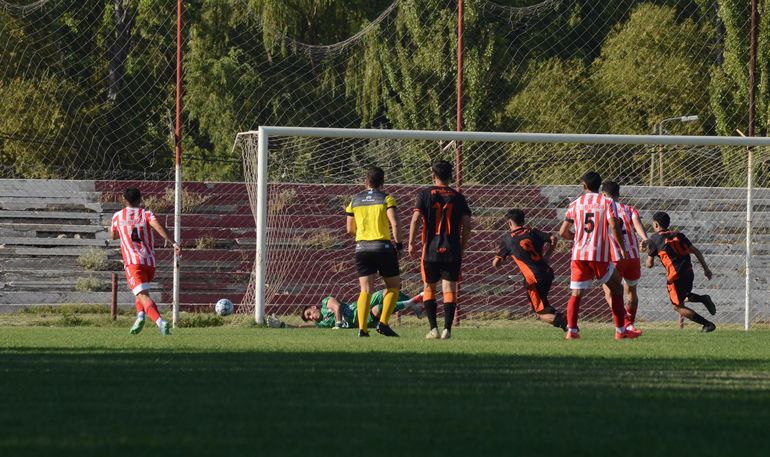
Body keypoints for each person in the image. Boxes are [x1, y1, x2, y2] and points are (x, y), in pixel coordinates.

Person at [559, 171, 641, 340]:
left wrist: (578, 239)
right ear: (599, 185)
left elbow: (563, 232)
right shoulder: (606, 202)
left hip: (579, 255)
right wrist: (622, 247)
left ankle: (572, 331)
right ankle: (620, 330)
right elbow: (613, 226)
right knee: (617, 289)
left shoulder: (574, 204)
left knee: (576, 294)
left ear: (584, 186)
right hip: (599, 255)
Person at [408, 160, 472, 340]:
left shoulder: (424, 194)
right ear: (451, 176)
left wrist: (411, 242)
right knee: (449, 288)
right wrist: (463, 247)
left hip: (430, 249)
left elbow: (415, 219)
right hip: (452, 249)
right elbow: (467, 225)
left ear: (433, 175)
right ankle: (447, 330)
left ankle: (433, 329)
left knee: (429, 287)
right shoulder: (458, 197)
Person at [111, 188, 180, 335]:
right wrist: (174, 243)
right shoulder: (146, 214)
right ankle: (140, 317)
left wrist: (125, 231)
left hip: (133, 262)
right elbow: (159, 228)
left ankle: (160, 322)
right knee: (141, 291)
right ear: (140, 199)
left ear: (124, 199)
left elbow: (114, 235)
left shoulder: (117, 216)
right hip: (149, 262)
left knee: (142, 295)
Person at [345, 166, 403, 337]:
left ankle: (362, 329)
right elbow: (395, 223)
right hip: (382, 247)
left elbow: (349, 228)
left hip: (362, 248)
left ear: (366, 182)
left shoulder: (354, 200)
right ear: (382, 183)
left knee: (366, 290)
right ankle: (383, 324)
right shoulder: (387, 199)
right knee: (393, 287)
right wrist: (399, 244)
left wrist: (363, 235)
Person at [492, 209, 566, 331]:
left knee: (540, 313)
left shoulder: (507, 239)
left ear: (509, 223)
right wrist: (547, 255)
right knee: (544, 305)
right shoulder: (533, 232)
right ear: (523, 220)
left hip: (533, 279)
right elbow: (553, 238)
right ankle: (561, 317)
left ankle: (567, 324)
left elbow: (496, 263)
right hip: (547, 273)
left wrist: (500, 260)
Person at [646, 211, 717, 332]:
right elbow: (696, 251)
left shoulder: (654, 239)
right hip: (688, 272)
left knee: (677, 306)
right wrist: (706, 269)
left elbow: (649, 264)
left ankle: (707, 324)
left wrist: (646, 251)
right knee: (683, 296)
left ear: (656, 225)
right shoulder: (678, 235)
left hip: (675, 276)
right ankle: (703, 299)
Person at [600, 181, 649, 333]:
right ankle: (630, 324)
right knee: (631, 292)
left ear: (603, 195)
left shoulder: (603, 210)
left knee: (609, 293)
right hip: (633, 257)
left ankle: (626, 324)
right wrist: (645, 238)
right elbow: (637, 225)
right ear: (618, 194)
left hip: (615, 256)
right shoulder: (629, 209)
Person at [297, 290, 424, 329]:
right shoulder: (321, 325)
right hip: (359, 320)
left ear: (313, 307)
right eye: (309, 318)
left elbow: (337, 306)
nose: (311, 317)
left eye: (309, 313)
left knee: (387, 292)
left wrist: (338, 323)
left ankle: (414, 307)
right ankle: (410, 303)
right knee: (378, 309)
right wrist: (283, 325)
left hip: (358, 306)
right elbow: (302, 328)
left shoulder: (325, 302)